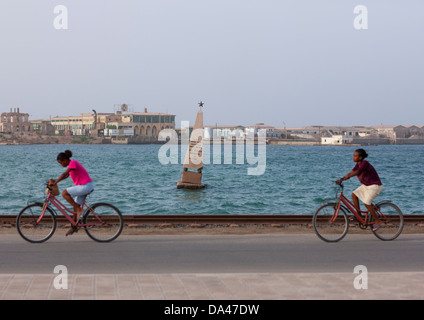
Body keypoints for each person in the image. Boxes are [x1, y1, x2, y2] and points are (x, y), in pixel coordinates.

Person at [49, 150, 94, 234]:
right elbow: (65, 176)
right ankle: (74, 226)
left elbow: (64, 173)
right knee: (75, 206)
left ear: (65, 160)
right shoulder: (71, 165)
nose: (61, 165)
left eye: (60, 163)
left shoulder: (73, 162)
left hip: (85, 186)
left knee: (64, 193)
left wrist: (55, 182)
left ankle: (79, 210)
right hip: (84, 186)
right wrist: (56, 180)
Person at [337, 149, 383, 230]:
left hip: (375, 186)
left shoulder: (364, 163)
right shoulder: (357, 164)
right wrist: (342, 179)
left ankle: (378, 221)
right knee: (354, 194)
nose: (353, 157)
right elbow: (351, 172)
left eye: (355, 156)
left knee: (366, 203)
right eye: (353, 155)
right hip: (367, 185)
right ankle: (359, 216)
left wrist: (349, 176)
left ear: (360, 157)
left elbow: (357, 173)